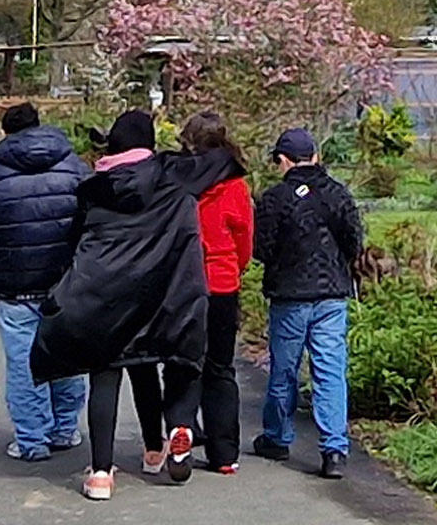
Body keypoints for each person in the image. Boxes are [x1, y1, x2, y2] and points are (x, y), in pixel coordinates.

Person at [30, 108, 234, 501]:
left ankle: (101, 474)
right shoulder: (173, 174)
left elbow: (74, 245)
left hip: (107, 297)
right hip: (168, 294)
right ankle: (170, 436)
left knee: (105, 374)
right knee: (168, 361)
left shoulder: (93, 189)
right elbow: (225, 161)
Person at [0, 100, 88, 461]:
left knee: (23, 364)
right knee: (66, 355)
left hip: (14, 283)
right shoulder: (75, 167)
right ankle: (64, 429)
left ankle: (32, 440)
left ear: (5, 132)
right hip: (66, 282)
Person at [251, 126, 367, 480]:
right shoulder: (337, 193)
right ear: (315, 157)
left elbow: (260, 249)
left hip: (290, 294)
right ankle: (334, 448)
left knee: (285, 369)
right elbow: (354, 241)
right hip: (332, 293)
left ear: (283, 160)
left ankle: (278, 437)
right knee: (330, 370)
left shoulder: (275, 198)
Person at [183, 110, 255, 476]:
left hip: (185, 285)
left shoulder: (180, 180)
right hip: (223, 282)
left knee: (185, 365)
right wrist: (235, 269)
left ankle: (181, 432)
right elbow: (244, 239)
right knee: (221, 369)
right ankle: (224, 453)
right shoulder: (235, 185)